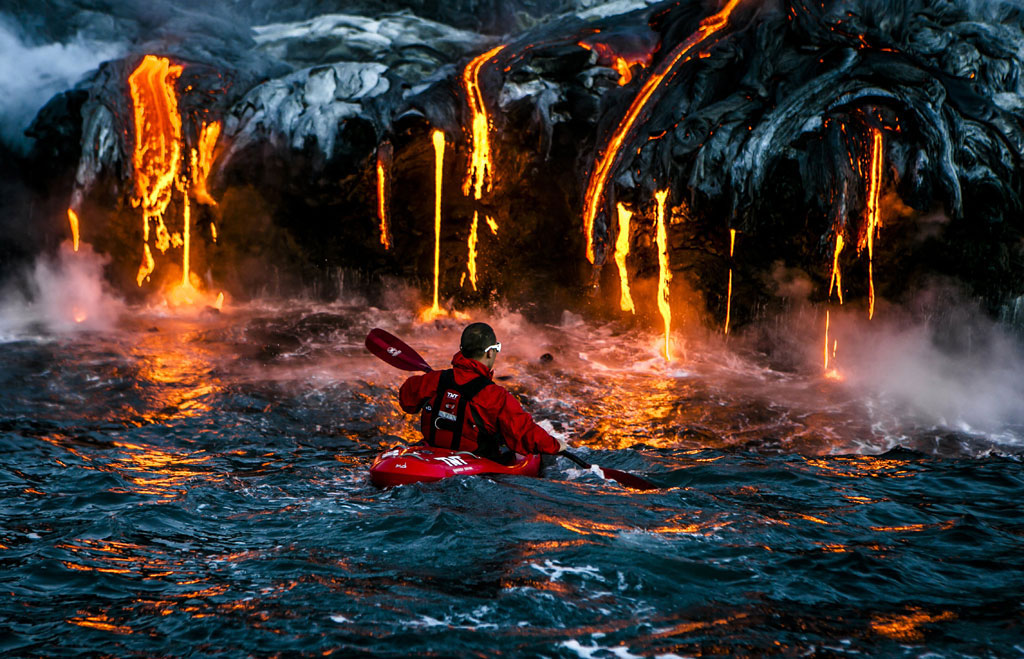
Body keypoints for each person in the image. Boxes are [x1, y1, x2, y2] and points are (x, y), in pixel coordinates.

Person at [398, 322, 569, 462]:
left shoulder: (433, 380)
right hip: (474, 466)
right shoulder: (496, 396)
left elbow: (406, 401)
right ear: (489, 352)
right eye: (497, 348)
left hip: (429, 457)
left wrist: (436, 384)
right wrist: (555, 445)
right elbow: (524, 432)